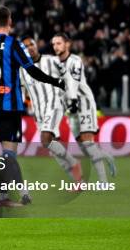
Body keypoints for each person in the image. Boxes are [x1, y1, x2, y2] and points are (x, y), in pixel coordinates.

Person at [0, 5, 65, 206]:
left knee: (7, 152)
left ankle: (3, 196)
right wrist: (57, 81)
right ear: (10, 21)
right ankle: (21, 191)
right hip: (11, 106)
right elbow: (32, 71)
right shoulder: (13, 44)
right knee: (9, 152)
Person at [51, 33, 116, 184]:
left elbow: (73, 81)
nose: (56, 46)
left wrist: (73, 100)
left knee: (87, 141)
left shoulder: (75, 60)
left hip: (84, 103)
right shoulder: (53, 64)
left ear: (67, 44)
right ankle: (106, 156)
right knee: (84, 146)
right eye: (54, 44)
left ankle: (103, 182)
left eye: (59, 43)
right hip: (70, 108)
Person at [19, 36, 82, 189]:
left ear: (36, 45)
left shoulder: (51, 60)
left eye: (32, 44)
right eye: (26, 46)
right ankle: (77, 181)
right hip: (38, 112)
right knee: (52, 146)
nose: (30, 48)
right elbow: (23, 90)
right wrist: (24, 105)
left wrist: (72, 98)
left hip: (54, 105)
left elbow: (67, 76)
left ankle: (75, 164)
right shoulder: (22, 70)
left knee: (45, 139)